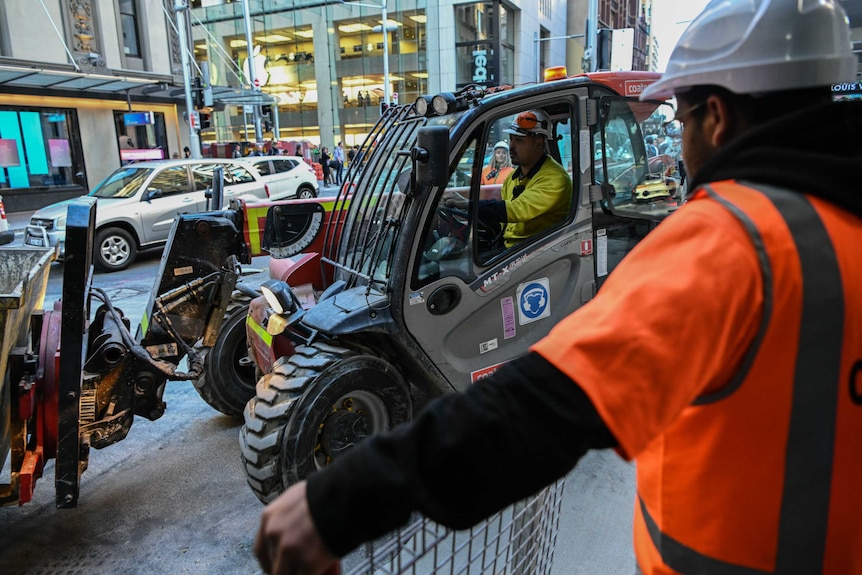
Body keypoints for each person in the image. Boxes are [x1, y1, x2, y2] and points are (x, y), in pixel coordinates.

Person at [254, 2, 862, 574]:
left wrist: (345, 500)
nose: (680, 142)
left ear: (719, 116)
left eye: (680, 120)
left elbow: (544, 407)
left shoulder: (728, 244)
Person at [447, 109, 571, 249]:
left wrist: (468, 204)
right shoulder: (512, 178)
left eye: (519, 140)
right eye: (511, 139)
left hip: (535, 250)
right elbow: (504, 222)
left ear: (539, 143)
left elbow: (516, 210)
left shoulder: (555, 179)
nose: (511, 146)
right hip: (512, 248)